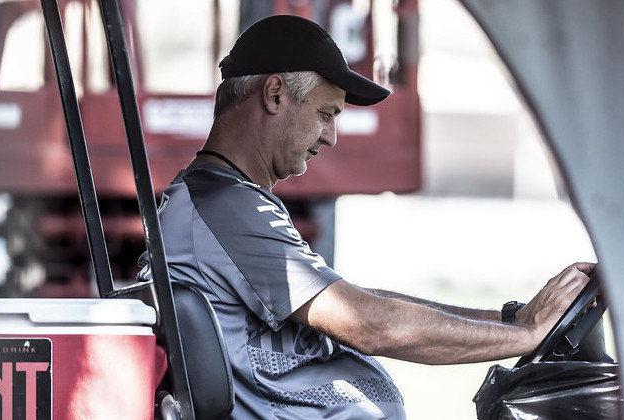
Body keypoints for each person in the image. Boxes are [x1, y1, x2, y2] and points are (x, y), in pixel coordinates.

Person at [137, 14, 594, 419]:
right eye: (325, 113)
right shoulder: (224, 207)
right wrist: (526, 335)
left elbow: (353, 303)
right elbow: (370, 325)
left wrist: (510, 321)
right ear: (275, 93)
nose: (332, 136)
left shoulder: (225, 202)